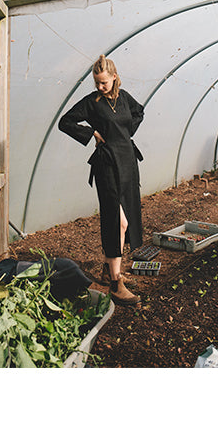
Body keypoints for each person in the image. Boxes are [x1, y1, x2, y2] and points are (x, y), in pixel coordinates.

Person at [58, 55, 143, 306]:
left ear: (114, 77)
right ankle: (116, 284)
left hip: (128, 162)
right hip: (107, 165)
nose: (100, 87)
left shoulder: (124, 98)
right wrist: (92, 132)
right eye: (97, 82)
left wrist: (125, 134)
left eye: (104, 82)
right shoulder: (92, 103)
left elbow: (139, 112)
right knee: (119, 222)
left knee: (125, 218)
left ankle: (109, 270)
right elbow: (66, 122)